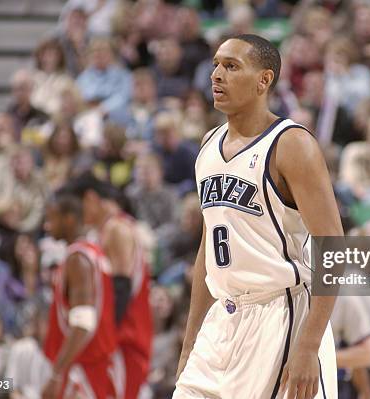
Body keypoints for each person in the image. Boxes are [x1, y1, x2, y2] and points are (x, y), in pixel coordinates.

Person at [174, 34, 341, 399]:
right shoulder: (208, 145)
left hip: (279, 315)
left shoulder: (292, 144)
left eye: (231, 67)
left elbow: (335, 250)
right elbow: (209, 249)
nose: (217, 74)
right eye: (216, 64)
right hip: (222, 321)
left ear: (264, 80)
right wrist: (190, 341)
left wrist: (309, 346)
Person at [67, 173, 153, 399]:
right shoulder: (106, 229)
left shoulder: (116, 228)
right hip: (119, 339)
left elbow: (121, 287)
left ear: (90, 198)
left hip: (125, 340)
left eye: (77, 207)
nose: (76, 215)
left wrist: (103, 335)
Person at [41, 190, 119, 399]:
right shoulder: (93, 250)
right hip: (97, 363)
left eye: (51, 218)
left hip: (83, 368)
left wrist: (56, 373)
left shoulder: (77, 259)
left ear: (69, 219)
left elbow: (83, 323)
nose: (46, 225)